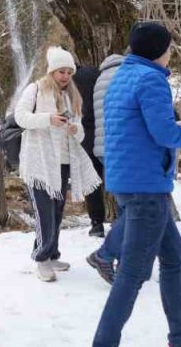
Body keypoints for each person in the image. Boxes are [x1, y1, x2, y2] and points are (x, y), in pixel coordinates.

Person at [92, 23, 181, 347]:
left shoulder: (122, 77)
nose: (171, 53)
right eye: (170, 48)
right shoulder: (151, 80)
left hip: (128, 181)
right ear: (159, 51)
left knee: (174, 258)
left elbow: (140, 128)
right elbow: (164, 135)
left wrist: (175, 126)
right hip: (147, 187)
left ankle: (180, 337)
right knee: (132, 274)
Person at [15, 47, 101, 282]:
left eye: (68, 72)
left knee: (57, 211)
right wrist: (48, 119)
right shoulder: (35, 89)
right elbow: (19, 117)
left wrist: (75, 129)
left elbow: (81, 131)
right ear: (51, 71)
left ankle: (52, 253)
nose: (64, 76)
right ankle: (41, 258)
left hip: (62, 161)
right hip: (39, 161)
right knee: (44, 212)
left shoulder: (71, 96)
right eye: (60, 71)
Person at [85, 52, 126, 270]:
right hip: (122, 148)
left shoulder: (101, 77)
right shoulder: (124, 75)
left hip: (103, 146)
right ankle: (109, 255)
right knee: (130, 207)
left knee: (126, 203)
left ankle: (99, 228)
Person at [73, 63, 106, 237]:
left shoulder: (69, 81)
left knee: (91, 180)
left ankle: (97, 223)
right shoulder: (97, 72)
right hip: (105, 129)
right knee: (112, 175)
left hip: (85, 133)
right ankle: (123, 217)